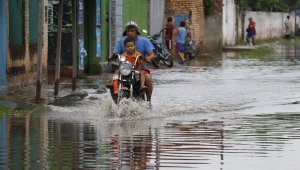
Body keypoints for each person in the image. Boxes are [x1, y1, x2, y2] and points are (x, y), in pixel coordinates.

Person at [109, 21, 155, 103]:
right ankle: (115, 103)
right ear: (125, 32)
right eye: (128, 31)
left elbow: (152, 54)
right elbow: (115, 53)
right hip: (125, 70)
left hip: (140, 69)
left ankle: (149, 102)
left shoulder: (144, 41)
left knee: (148, 79)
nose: (130, 33)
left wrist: (147, 58)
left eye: (132, 31)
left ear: (136, 32)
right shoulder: (121, 42)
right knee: (112, 81)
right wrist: (112, 57)